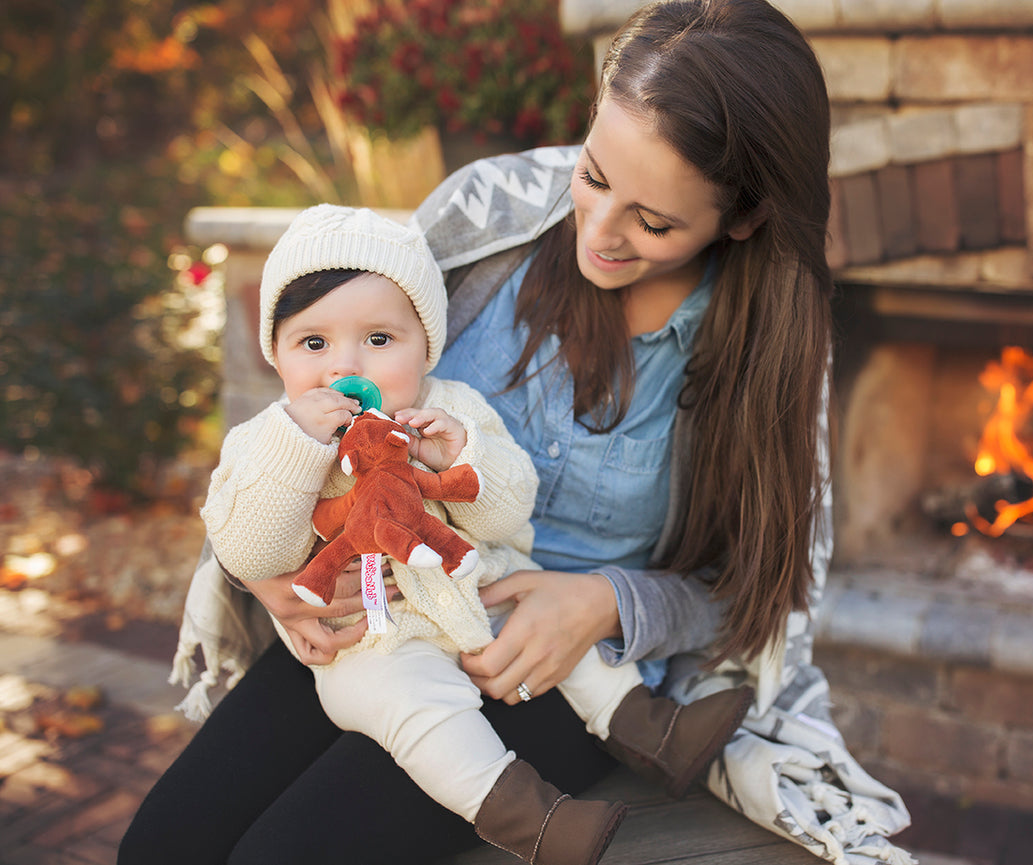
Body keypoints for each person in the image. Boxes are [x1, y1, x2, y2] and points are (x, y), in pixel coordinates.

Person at [120, 1, 912, 863]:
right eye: (595, 175)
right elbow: (321, 373)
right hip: (383, 604)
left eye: (653, 222)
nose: (600, 233)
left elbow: (758, 585)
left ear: (744, 217)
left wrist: (607, 600)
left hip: (552, 676)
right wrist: (271, 574)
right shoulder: (486, 224)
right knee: (162, 844)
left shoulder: (766, 348)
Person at [182, 202, 753, 864]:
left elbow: (510, 509)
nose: (343, 366)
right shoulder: (268, 440)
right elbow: (251, 548)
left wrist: (461, 460)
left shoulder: (448, 408)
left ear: (426, 345)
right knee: (425, 715)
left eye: (378, 340)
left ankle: (655, 731)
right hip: (372, 639)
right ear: (275, 355)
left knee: (548, 629)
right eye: (313, 344)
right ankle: (532, 820)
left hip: (473, 586)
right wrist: (294, 455)